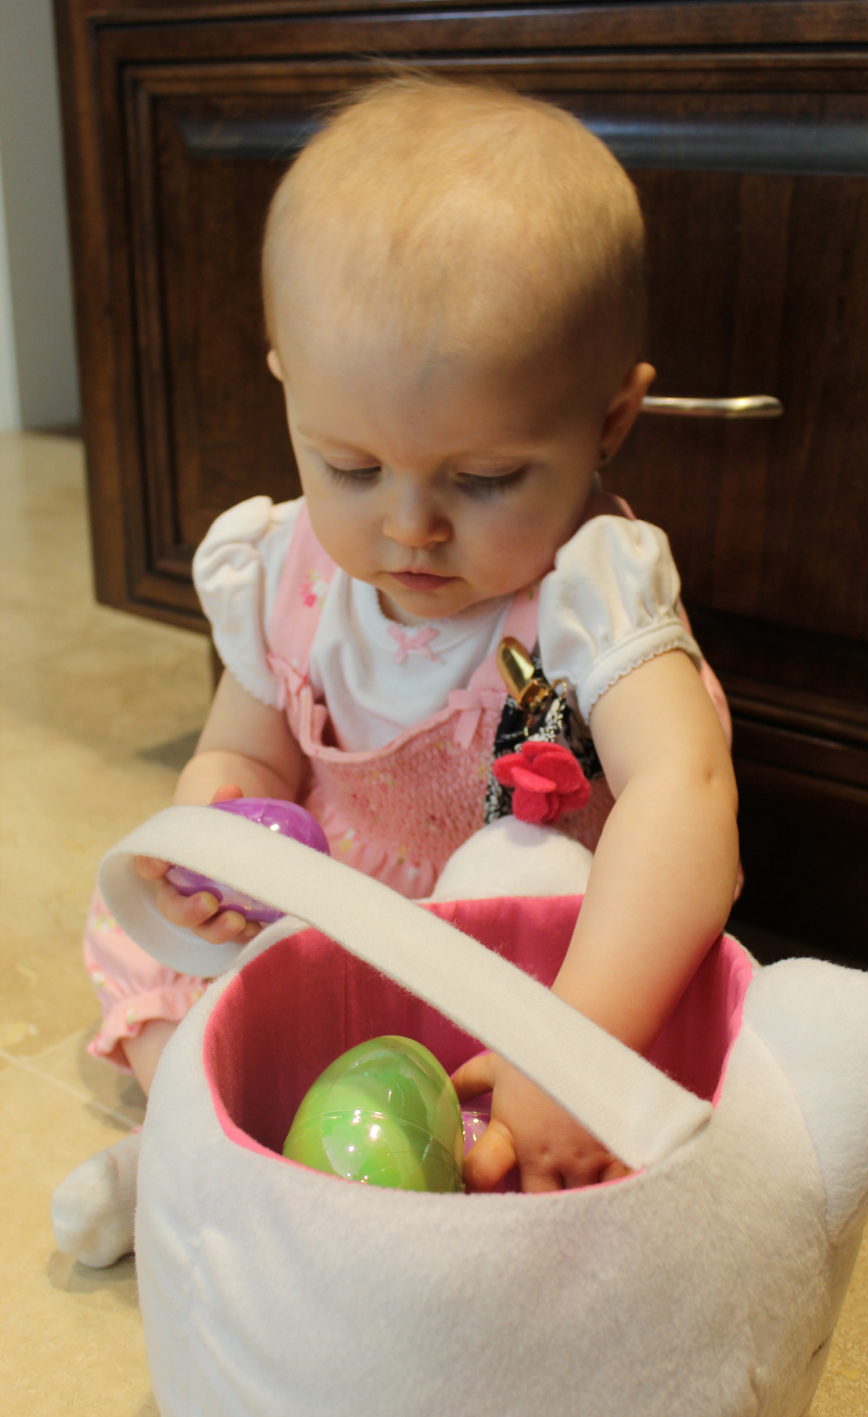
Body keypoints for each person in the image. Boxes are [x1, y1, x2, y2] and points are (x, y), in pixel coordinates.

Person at [53, 72, 739, 1265]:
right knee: (140, 934)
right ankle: (204, 1145)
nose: (409, 527)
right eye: (352, 467)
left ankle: (260, 1169)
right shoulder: (288, 571)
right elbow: (243, 749)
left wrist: (568, 1046)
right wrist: (214, 841)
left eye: (483, 480)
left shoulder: (589, 593)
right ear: (290, 387)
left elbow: (686, 799)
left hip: (515, 968)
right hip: (331, 929)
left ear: (608, 423)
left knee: (604, 1073)